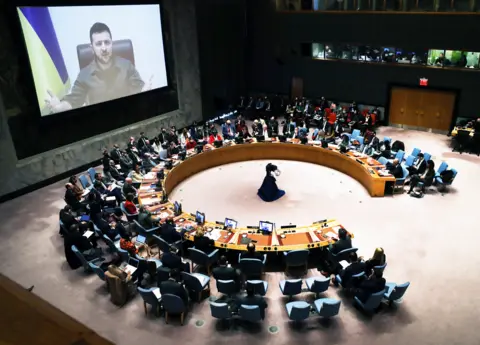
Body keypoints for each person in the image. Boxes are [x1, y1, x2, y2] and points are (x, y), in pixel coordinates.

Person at [44, 22, 148, 114]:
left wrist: (147, 91)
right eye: (98, 44)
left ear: (111, 44)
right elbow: (73, 101)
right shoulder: (84, 75)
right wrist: (59, 107)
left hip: (126, 115)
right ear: (92, 48)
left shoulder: (127, 66)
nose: (104, 48)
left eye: (107, 42)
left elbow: (139, 90)